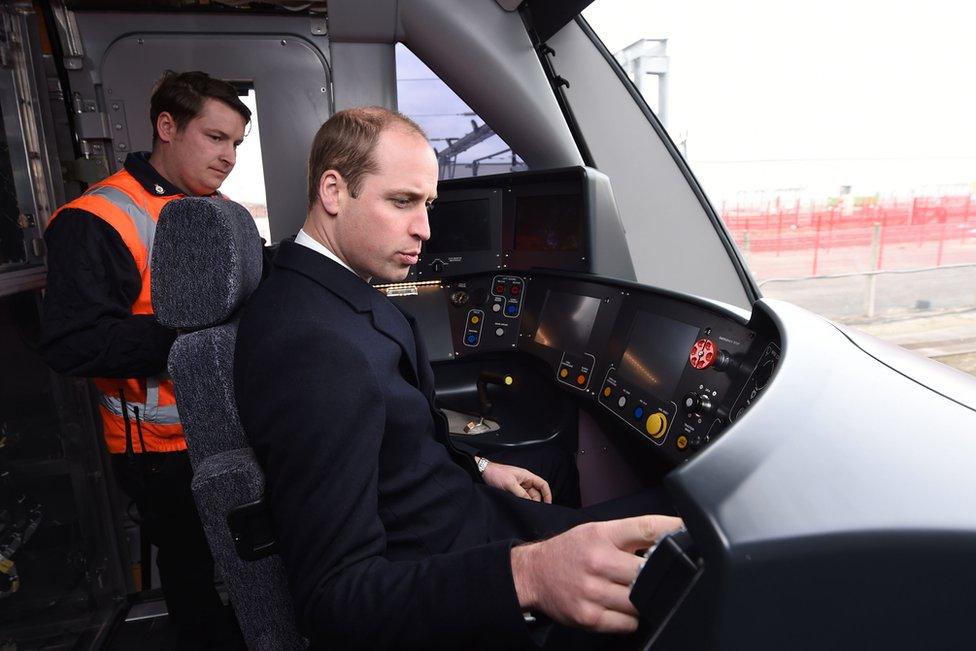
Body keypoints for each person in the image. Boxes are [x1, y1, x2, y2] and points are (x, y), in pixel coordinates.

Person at [234, 106, 682, 650]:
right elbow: (334, 599)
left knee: (606, 487)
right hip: (459, 569)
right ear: (333, 190)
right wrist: (532, 576)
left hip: (459, 513)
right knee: (688, 528)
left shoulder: (320, 291)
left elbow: (392, 441)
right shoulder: (311, 346)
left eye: (427, 205)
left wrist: (480, 465)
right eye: (402, 202)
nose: (424, 228)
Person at [40, 70, 250, 649]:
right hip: (162, 451)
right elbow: (71, 342)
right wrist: (190, 335)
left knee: (251, 568)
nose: (228, 156)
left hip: (232, 428)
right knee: (193, 582)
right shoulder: (97, 219)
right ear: (167, 126)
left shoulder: (217, 210)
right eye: (215, 138)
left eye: (236, 143)